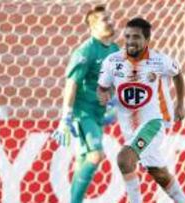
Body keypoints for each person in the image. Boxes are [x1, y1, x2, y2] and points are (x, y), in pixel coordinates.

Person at [97, 17, 185, 203]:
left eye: (136, 37)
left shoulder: (160, 61)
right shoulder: (112, 61)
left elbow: (178, 74)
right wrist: (103, 97)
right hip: (129, 127)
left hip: (154, 122)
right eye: (127, 36)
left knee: (124, 159)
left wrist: (180, 104)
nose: (130, 41)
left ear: (147, 40)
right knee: (157, 171)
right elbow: (102, 87)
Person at [51, 5, 119, 203]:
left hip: (98, 114)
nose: (110, 21)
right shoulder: (86, 51)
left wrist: (114, 105)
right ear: (93, 27)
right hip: (83, 113)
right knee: (96, 155)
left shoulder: (115, 50)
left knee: (84, 160)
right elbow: (71, 83)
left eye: (110, 18)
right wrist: (66, 117)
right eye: (105, 19)